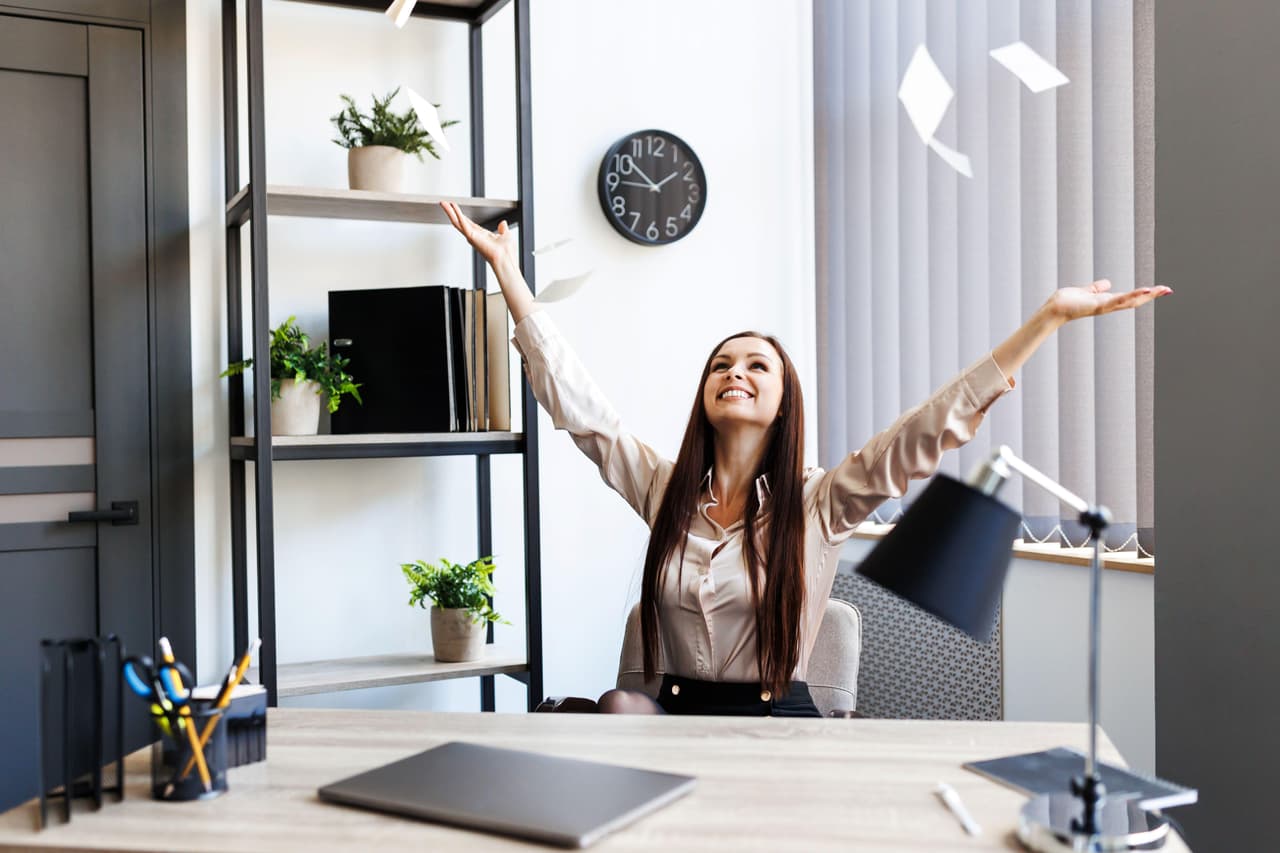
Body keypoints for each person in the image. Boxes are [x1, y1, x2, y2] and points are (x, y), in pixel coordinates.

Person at [441, 201, 1171, 717]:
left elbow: (925, 430)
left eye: (759, 366)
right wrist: (509, 275)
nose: (736, 372)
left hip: (772, 724)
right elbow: (582, 410)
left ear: (785, 400)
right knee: (612, 712)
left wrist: (1045, 320)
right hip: (664, 720)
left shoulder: (822, 503)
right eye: (723, 364)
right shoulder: (662, 489)